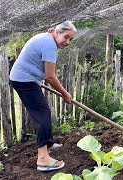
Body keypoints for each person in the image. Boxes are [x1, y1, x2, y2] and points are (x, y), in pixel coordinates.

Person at [9, 21, 76, 172]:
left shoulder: (46, 38)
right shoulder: (50, 45)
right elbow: (50, 76)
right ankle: (43, 159)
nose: (67, 42)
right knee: (43, 115)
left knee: (43, 112)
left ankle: (48, 142)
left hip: (25, 78)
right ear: (57, 32)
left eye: (71, 39)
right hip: (24, 81)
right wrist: (65, 94)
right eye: (66, 37)